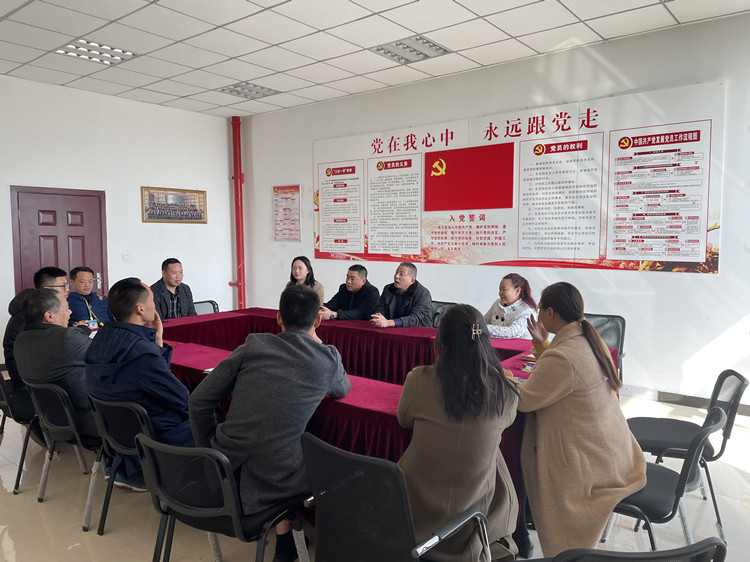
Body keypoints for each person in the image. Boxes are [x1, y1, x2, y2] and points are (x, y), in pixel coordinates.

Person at [189, 285, 350, 562]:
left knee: (272, 441)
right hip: (280, 475)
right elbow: (342, 388)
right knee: (303, 453)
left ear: (278, 318)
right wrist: (319, 342)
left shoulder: (254, 344)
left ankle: (285, 542)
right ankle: (290, 542)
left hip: (225, 462)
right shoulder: (327, 358)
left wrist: (210, 451)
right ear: (318, 320)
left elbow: (198, 402)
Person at [514, 282, 646, 557]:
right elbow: (561, 377)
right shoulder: (588, 338)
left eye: (540, 309)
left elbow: (525, 399)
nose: (539, 314)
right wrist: (542, 344)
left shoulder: (564, 355)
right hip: (614, 451)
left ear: (550, 313)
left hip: (589, 466)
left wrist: (502, 376)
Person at [397, 304, 520, 562]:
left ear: (441, 342)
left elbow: (403, 419)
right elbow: (506, 422)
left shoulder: (419, 378)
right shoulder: (505, 390)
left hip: (411, 510)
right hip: (471, 516)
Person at [86, 277, 194, 490]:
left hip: (116, 433)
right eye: (152, 300)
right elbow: (182, 399)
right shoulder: (141, 353)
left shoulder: (100, 339)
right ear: (140, 308)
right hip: (154, 435)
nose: (155, 306)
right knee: (214, 421)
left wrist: (157, 341)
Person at [14, 288, 99, 445]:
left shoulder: (20, 340)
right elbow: (106, 354)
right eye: (66, 308)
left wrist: (79, 330)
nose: (70, 312)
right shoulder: (67, 338)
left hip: (52, 422)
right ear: (49, 316)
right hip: (88, 420)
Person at [2, 267, 70, 434]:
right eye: (63, 286)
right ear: (47, 289)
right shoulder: (29, 314)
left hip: (30, 377)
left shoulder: (31, 307)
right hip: (29, 384)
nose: (67, 290)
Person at [371, 262, 432, 328]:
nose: (396, 276)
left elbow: (414, 318)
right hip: (392, 329)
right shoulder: (388, 289)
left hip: (417, 330)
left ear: (412, 280)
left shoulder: (423, 293)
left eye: (401, 274)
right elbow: (381, 308)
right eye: (396, 272)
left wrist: (389, 323)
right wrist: (378, 318)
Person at [484, 273, 536, 339]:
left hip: (516, 346)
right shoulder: (498, 302)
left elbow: (511, 332)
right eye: (500, 289)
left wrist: (480, 328)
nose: (500, 293)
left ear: (517, 291)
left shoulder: (527, 311)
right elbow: (484, 320)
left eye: (504, 289)